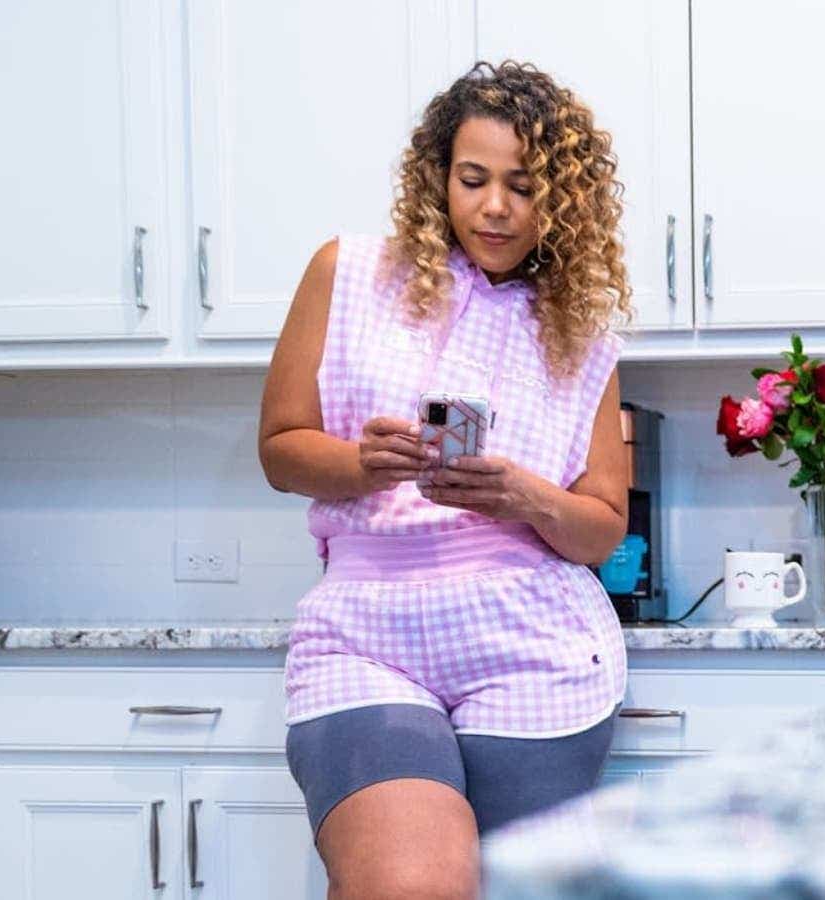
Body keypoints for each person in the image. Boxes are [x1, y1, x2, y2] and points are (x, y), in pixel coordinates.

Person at [257, 61, 631, 899]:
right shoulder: (346, 273)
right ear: (439, 177)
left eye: (524, 186)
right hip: (365, 637)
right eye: (473, 179)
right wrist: (359, 463)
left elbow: (602, 526)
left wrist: (521, 495)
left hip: (533, 648)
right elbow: (281, 448)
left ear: (561, 201)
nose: (495, 206)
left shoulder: (582, 331)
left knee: (518, 889)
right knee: (407, 884)